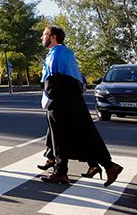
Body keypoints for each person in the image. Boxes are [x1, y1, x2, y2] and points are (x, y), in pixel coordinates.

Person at [40, 25, 122, 186]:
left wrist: (47, 98)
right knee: (82, 133)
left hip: (60, 100)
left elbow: (53, 78)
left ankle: (62, 172)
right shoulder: (66, 53)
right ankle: (104, 166)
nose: (42, 38)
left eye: (45, 35)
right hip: (72, 98)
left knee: (62, 136)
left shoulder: (56, 54)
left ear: (53, 37)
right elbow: (78, 78)